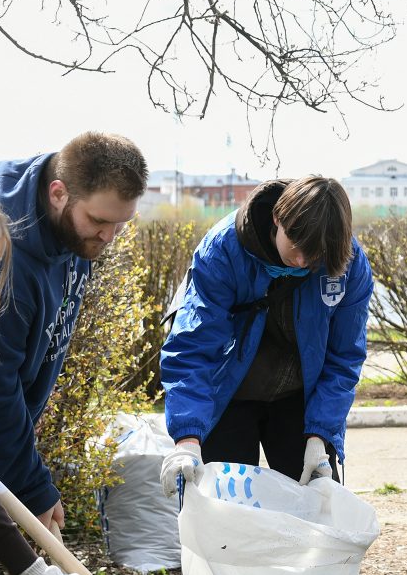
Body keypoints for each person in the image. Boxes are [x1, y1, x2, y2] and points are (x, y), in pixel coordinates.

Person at [0, 133, 147, 575]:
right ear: (58, 193)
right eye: (100, 220)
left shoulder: (75, 235)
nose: (108, 236)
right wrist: (30, 486)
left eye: (120, 224)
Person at [159, 176, 373, 498]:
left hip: (300, 401)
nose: (302, 261)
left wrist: (320, 435)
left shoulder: (347, 264)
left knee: (316, 510)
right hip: (229, 395)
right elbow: (192, 346)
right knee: (227, 512)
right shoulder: (223, 250)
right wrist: (187, 438)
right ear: (277, 218)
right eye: (296, 246)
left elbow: (344, 357)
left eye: (314, 256)